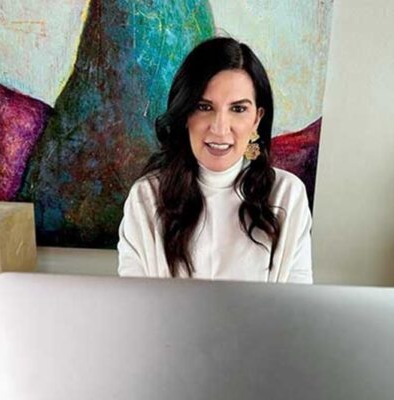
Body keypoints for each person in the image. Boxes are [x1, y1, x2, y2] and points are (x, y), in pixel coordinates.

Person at [117, 37, 313, 283]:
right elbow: (134, 302)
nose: (220, 128)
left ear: (257, 119)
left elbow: (296, 303)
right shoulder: (146, 197)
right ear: (185, 114)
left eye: (238, 109)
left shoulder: (288, 195)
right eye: (204, 107)